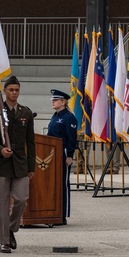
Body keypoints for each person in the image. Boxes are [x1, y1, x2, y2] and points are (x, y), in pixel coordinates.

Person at [0, 75, 36, 253]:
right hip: (1, 162)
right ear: (5, 91)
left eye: (17, 90)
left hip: (20, 162)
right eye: (11, 90)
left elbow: (31, 142)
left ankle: (11, 228)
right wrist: (0, 150)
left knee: (22, 198)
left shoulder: (26, 112)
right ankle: (4, 241)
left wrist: (31, 167)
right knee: (2, 203)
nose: (14, 93)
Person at [45, 89, 78, 224]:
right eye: (53, 99)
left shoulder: (69, 117)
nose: (53, 101)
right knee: (54, 183)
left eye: (56, 100)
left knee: (62, 184)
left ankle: (62, 214)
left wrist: (69, 155)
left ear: (63, 101)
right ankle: (54, 212)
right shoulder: (55, 116)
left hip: (63, 152)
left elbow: (71, 139)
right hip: (52, 153)